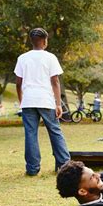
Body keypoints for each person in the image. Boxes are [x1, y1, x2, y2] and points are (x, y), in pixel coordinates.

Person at [14, 28, 70, 176]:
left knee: (30, 134)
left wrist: (22, 100)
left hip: (28, 101)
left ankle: (32, 169)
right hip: (46, 100)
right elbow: (55, 81)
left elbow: (18, 83)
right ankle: (64, 166)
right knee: (55, 131)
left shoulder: (22, 58)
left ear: (31, 41)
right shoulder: (50, 57)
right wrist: (58, 104)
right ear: (45, 41)